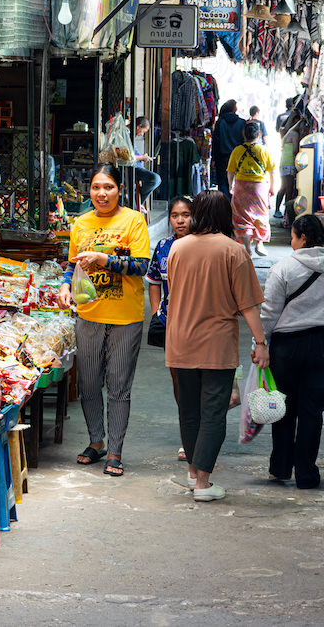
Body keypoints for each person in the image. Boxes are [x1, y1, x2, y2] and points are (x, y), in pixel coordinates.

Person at [165, 190, 268, 502]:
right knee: (213, 414)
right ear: (227, 215)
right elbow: (248, 305)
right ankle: (203, 484)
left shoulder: (178, 248)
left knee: (189, 412)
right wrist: (261, 342)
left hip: (179, 342)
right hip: (216, 345)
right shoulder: (234, 252)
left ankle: (194, 473)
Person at [58, 163, 150, 477]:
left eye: (108, 187)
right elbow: (72, 266)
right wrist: (65, 285)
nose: (101, 193)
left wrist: (104, 259)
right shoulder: (80, 224)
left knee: (118, 386)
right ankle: (96, 442)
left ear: (120, 190)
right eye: (96, 187)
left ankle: (115, 451)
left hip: (125, 316)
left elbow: (141, 265)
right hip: (89, 314)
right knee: (88, 384)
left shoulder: (134, 220)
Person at [261, 215, 324, 489]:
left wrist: (260, 343)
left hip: (286, 348)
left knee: (283, 410)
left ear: (303, 237)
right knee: (312, 413)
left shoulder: (283, 268)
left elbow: (269, 313)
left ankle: (280, 468)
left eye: (292, 237)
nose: (291, 242)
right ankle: (306, 474)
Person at [145, 196, 193, 462]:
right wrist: (155, 312)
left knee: (195, 381)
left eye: (185, 215)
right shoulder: (163, 246)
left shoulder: (199, 246)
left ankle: (197, 434)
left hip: (196, 326)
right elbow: (153, 280)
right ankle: (187, 435)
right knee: (179, 382)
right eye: (175, 215)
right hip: (169, 324)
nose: (180, 220)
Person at [228, 121, 275, 256]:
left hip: (241, 186)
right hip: (259, 187)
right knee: (261, 215)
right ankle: (259, 244)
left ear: (244, 134)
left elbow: (230, 171)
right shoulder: (264, 150)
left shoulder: (237, 150)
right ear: (259, 135)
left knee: (242, 216)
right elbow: (271, 172)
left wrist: (231, 186)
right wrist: (272, 188)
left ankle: (248, 246)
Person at [212, 100, 246, 198]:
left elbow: (216, 141)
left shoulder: (220, 122)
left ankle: (224, 205)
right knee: (236, 181)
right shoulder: (242, 122)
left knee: (222, 181)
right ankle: (234, 205)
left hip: (222, 157)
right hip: (238, 157)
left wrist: (214, 158)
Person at [274, 110, 302, 222]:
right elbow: (295, 150)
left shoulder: (286, 133)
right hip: (290, 163)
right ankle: (287, 217)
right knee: (288, 190)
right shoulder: (294, 134)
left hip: (284, 163)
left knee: (284, 187)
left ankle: (278, 210)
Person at [134, 117, 162, 206]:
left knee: (154, 180)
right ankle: (136, 201)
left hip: (137, 167)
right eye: (143, 131)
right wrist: (142, 157)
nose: (142, 134)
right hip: (132, 168)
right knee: (155, 179)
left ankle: (137, 202)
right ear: (138, 126)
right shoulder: (126, 135)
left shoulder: (130, 136)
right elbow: (128, 157)